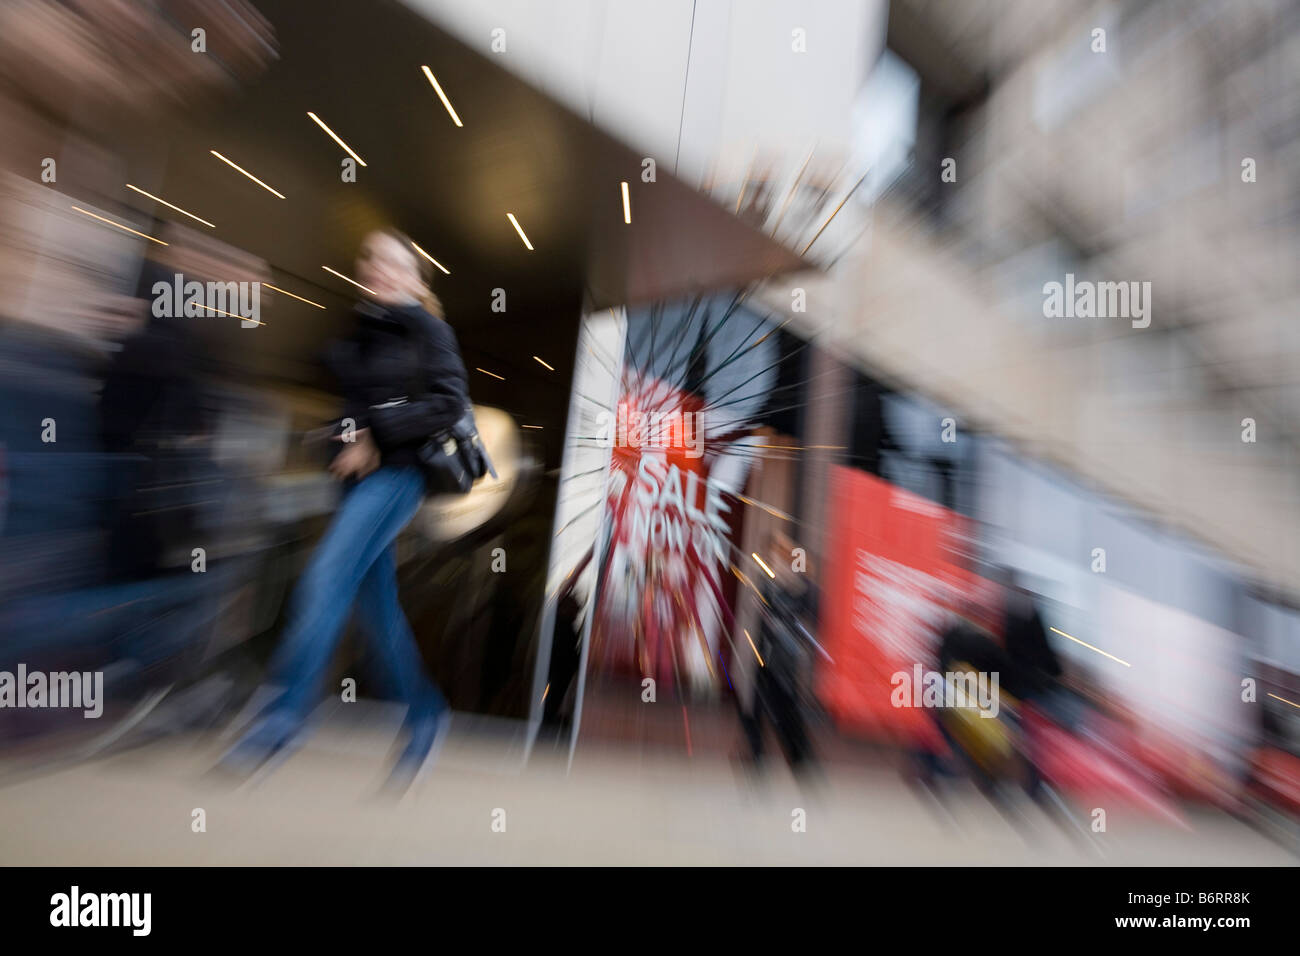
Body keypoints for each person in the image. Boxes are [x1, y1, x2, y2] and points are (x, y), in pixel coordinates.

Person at [221, 229, 469, 783]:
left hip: (399, 478)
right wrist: (344, 434)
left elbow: (448, 403)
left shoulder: (430, 330)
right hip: (354, 484)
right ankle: (426, 714)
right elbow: (351, 407)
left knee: (324, 578)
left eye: (392, 262)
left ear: (413, 277)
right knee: (376, 609)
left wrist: (376, 432)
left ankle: (281, 719)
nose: (377, 268)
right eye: (371, 259)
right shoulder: (362, 331)